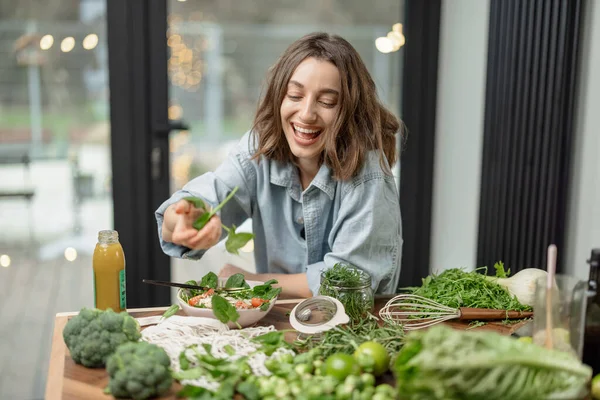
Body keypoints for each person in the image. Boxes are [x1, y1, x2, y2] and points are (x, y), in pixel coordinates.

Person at [156, 32, 403, 298]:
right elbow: (195, 205)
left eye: (327, 101)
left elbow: (349, 284)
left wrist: (252, 282)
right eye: (295, 95)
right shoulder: (259, 148)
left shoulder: (368, 174)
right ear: (279, 98)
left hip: (354, 331)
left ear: (350, 111)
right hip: (278, 326)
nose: (307, 114)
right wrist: (186, 219)